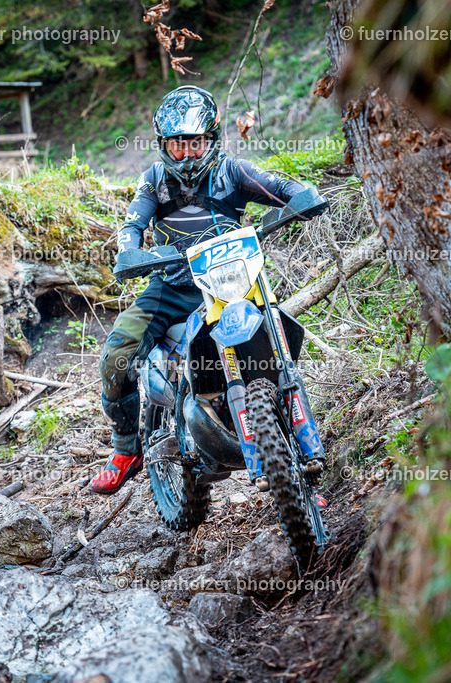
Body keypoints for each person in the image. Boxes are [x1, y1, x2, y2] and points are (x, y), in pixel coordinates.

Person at [91, 84, 315, 495]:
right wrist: (130, 251)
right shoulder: (154, 180)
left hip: (233, 286)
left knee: (276, 335)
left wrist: (302, 198)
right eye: (179, 145)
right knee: (116, 356)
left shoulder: (234, 172)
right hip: (172, 287)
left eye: (196, 143)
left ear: (211, 139)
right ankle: (126, 448)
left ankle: (297, 455)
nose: (189, 153)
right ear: (164, 145)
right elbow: (132, 226)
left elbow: (280, 187)